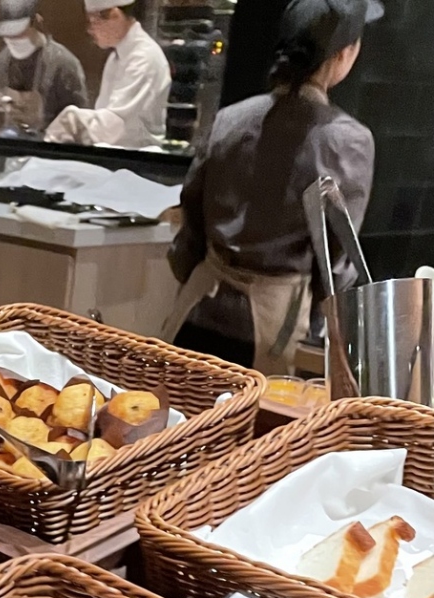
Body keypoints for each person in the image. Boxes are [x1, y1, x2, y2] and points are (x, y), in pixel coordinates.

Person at [164, 0, 380, 373]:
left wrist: (192, 274)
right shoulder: (348, 140)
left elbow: (191, 219)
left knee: (176, 406)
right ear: (345, 53)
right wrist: (326, 326)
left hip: (198, 309)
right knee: (254, 412)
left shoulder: (230, 118)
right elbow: (336, 261)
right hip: (272, 326)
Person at [45, 0, 171, 149]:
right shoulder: (116, 56)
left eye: (93, 22)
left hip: (135, 156)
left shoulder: (144, 58)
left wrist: (75, 120)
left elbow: (117, 126)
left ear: (114, 15)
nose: (90, 30)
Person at [0, 0, 88, 133]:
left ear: (37, 21)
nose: (13, 39)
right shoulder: (0, 63)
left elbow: (78, 121)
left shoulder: (63, 64)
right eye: (8, 34)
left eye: (19, 32)